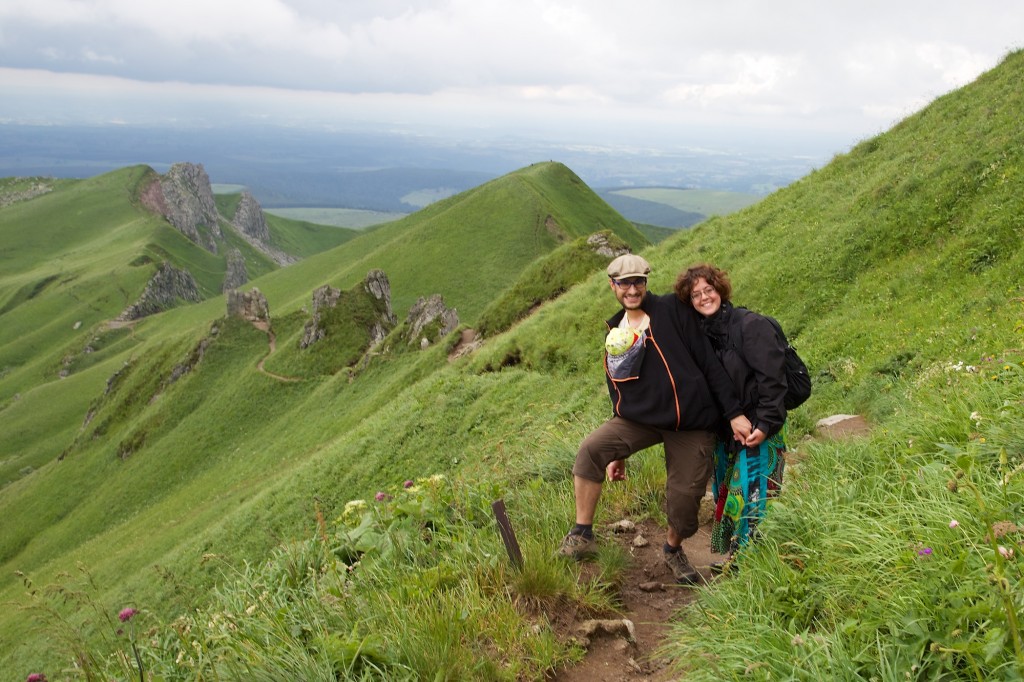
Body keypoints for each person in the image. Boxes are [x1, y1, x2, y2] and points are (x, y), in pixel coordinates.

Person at [557, 254, 752, 585]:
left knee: (684, 500)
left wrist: (734, 413)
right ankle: (582, 534)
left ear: (646, 282)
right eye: (624, 284)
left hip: (691, 421)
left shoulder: (673, 311)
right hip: (641, 420)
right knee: (592, 449)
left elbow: (708, 363)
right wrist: (620, 451)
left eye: (638, 282)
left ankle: (673, 548)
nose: (632, 289)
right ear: (613, 286)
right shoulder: (615, 333)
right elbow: (619, 391)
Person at [674, 263, 788, 571]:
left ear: (720, 290)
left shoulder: (750, 326)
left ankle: (753, 565)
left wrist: (765, 424)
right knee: (731, 492)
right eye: (696, 294)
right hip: (728, 431)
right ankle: (738, 556)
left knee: (756, 491)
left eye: (708, 290)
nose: (703, 298)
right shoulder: (702, 335)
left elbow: (773, 380)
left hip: (761, 426)